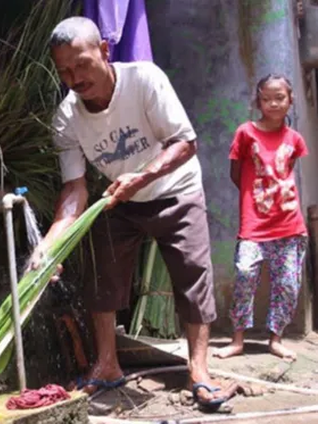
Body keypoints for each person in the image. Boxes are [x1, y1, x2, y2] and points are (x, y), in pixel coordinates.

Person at [30, 16, 230, 407]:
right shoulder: (66, 118)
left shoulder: (144, 80)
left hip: (176, 188)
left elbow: (185, 142)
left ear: (104, 51)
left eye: (82, 63)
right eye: (65, 70)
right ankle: (107, 365)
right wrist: (51, 245)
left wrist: (140, 177)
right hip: (120, 199)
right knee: (102, 278)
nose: (75, 77)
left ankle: (199, 370)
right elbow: (75, 188)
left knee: (193, 276)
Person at [213, 74, 308, 361]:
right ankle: (237, 340)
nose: (273, 103)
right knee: (244, 274)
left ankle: (275, 338)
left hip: (290, 225)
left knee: (288, 284)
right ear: (258, 102)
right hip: (254, 224)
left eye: (280, 97)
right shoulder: (245, 133)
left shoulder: (295, 139)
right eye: (266, 98)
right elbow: (236, 173)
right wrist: (255, 200)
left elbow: (288, 173)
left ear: (290, 100)